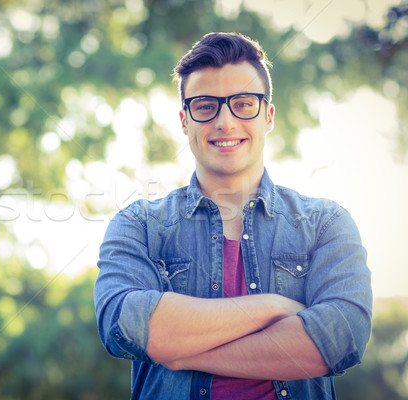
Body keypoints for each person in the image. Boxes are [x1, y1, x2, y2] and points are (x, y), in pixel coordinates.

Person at [93, 32, 372, 400]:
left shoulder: (326, 224)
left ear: (268, 116)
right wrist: (272, 308)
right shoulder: (139, 226)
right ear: (184, 121)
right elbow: (125, 325)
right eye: (206, 105)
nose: (225, 122)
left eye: (243, 103)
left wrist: (180, 351)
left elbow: (339, 338)